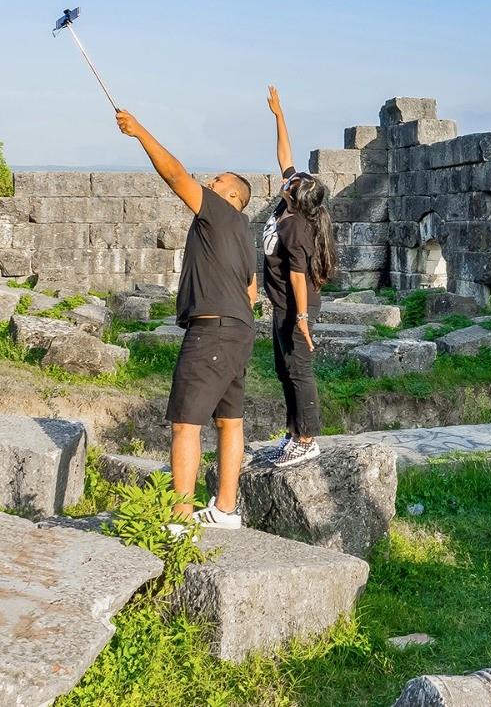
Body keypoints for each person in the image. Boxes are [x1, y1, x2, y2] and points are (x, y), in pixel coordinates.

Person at [114, 105, 256, 530]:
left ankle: (179, 519)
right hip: (239, 331)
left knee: (185, 424)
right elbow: (252, 291)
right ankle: (225, 508)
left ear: (233, 197)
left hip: (211, 331)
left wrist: (140, 132)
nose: (210, 182)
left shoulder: (219, 211)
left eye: (219, 181)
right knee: (230, 421)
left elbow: (176, 176)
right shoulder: (243, 233)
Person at [253, 85, 335, 468]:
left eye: (291, 184)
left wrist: (302, 319)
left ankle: (307, 439)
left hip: (297, 307)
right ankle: (292, 433)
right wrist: (279, 114)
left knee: (299, 370)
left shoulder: (296, 227)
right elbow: (284, 155)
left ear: (295, 198)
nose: (286, 180)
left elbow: (299, 277)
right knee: (284, 369)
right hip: (283, 304)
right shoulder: (288, 206)